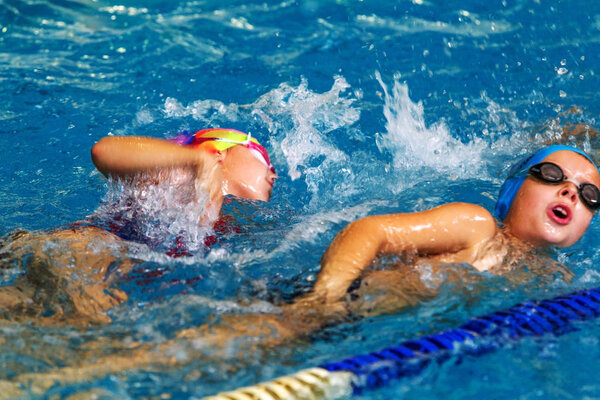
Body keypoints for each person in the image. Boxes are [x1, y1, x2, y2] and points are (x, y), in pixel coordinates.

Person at [0, 129, 278, 325]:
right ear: (218, 152)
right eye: (259, 154)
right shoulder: (181, 177)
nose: (273, 171)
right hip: (82, 246)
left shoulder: (238, 222)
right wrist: (197, 161)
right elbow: (104, 150)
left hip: (88, 262)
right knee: (90, 331)